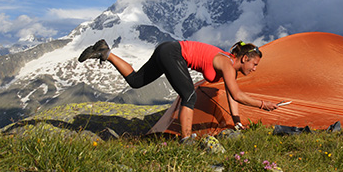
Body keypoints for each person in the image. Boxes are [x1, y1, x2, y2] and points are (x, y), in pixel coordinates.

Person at [78, 39, 281, 139]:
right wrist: (264, 105)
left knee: (137, 81)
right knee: (189, 95)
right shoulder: (227, 63)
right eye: (254, 65)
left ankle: (106, 52)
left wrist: (236, 122)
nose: (254, 69)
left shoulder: (229, 67)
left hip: (167, 49)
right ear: (244, 59)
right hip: (173, 52)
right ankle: (186, 140)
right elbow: (237, 94)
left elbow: (231, 96)